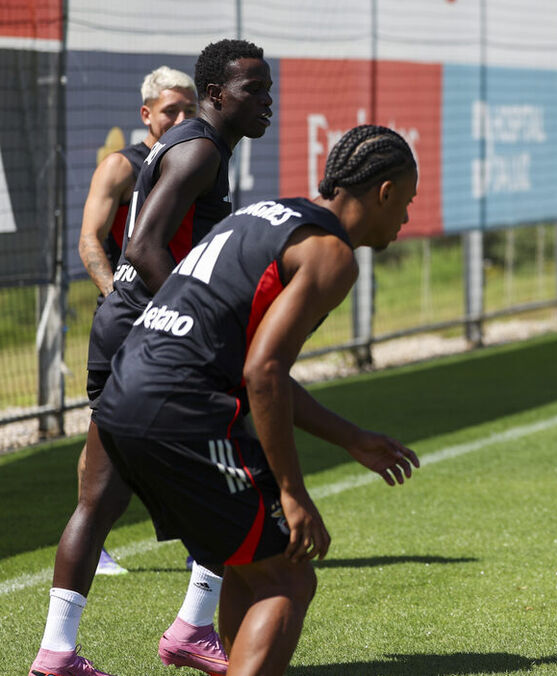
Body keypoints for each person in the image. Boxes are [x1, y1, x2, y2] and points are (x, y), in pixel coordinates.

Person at [91, 124, 420, 676]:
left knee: (249, 565)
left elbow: (257, 367)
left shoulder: (268, 214)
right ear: (384, 193)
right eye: (407, 202)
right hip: (181, 405)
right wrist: (292, 491)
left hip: (125, 396)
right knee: (289, 578)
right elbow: (264, 372)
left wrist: (352, 439)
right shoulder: (331, 255)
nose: (407, 218)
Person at [29, 39, 272, 676]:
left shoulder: (192, 144)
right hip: (155, 338)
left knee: (101, 500)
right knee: (238, 472)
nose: (267, 103)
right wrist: (196, 318)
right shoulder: (200, 149)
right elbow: (142, 246)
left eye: (269, 89)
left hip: (126, 330)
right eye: (254, 90)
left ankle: (56, 652)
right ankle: (192, 627)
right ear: (217, 94)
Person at [76, 66, 198, 579]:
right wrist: (117, 296)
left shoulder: (197, 160)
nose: (183, 118)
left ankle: (200, 539)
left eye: (190, 109)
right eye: (171, 110)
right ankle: (92, 543)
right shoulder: (122, 166)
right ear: (146, 114)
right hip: (128, 316)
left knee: (187, 422)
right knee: (105, 431)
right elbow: (90, 239)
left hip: (178, 312)